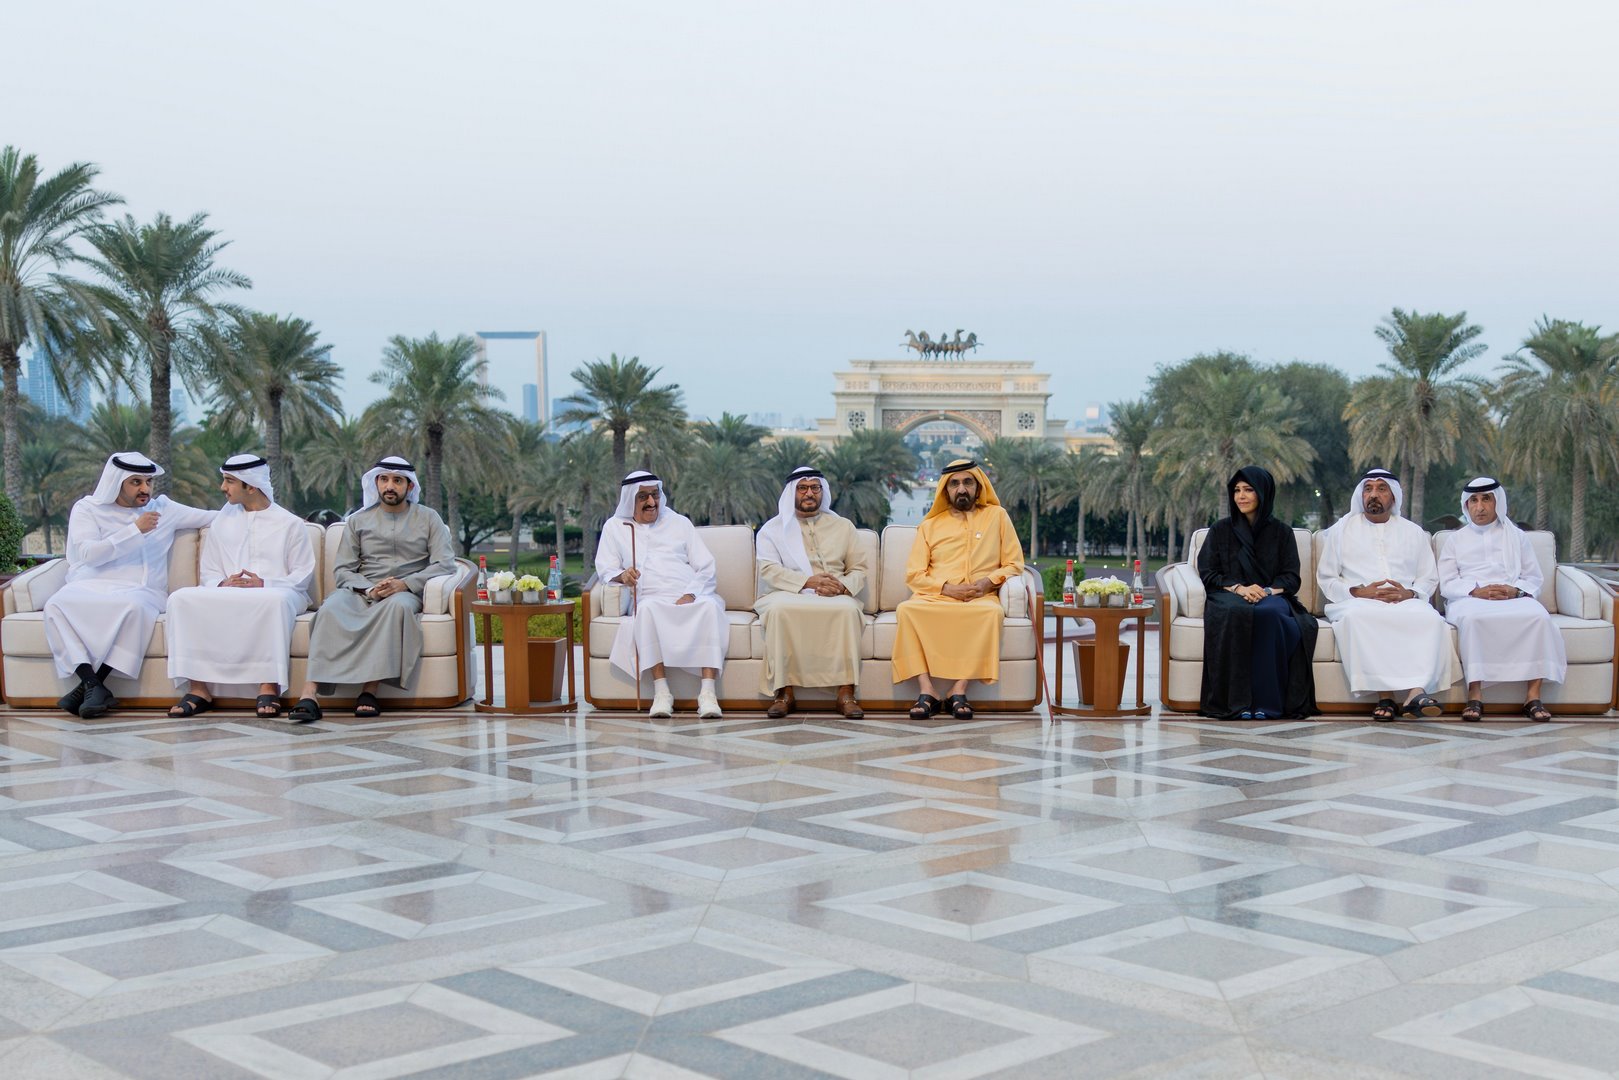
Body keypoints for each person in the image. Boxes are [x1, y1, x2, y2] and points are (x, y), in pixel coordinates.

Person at [43, 452, 217, 719]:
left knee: (135, 608)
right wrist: (135, 530)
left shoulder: (164, 510)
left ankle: (92, 685)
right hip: (90, 585)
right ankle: (92, 683)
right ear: (117, 482)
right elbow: (88, 554)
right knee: (56, 604)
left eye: (148, 482)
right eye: (136, 482)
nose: (145, 489)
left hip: (142, 591)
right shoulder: (88, 509)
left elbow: (215, 517)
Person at [288, 456, 456, 722]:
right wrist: (369, 590)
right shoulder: (358, 520)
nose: (390, 486)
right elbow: (343, 570)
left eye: (397, 481)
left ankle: (369, 691)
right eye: (384, 480)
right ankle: (309, 694)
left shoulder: (429, 518)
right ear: (376, 483)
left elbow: (444, 563)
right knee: (330, 609)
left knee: (397, 608)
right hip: (361, 591)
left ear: (410, 486)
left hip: (405, 592)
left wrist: (405, 584)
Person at [164, 455, 316, 719]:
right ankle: (198, 689)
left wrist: (264, 583)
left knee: (272, 601)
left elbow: (302, 575)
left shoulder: (290, 523)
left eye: (229, 481)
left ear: (251, 486)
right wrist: (223, 583)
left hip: (281, 592)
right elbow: (209, 570)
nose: (223, 487)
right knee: (180, 599)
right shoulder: (221, 522)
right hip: (229, 592)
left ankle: (268, 684)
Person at [1316, 468, 1460, 721]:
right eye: (1368, 489)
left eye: (1381, 489)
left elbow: (1428, 577)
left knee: (1430, 619)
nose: (1374, 494)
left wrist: (1409, 593)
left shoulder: (1413, 531)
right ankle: (1385, 696)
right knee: (1360, 618)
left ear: (1393, 496)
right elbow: (1327, 578)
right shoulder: (1341, 531)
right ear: (1361, 495)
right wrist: (1357, 592)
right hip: (1357, 602)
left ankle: (1416, 692)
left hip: (1404, 601)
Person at [892, 459, 1025, 720]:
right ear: (946, 490)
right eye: (954, 484)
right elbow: (914, 574)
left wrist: (988, 582)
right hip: (937, 596)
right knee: (907, 610)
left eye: (967, 482)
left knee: (991, 614)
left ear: (978, 486)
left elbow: (1014, 563)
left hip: (980, 597)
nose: (961, 489)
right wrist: (946, 589)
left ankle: (959, 689)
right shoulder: (930, 526)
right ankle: (927, 690)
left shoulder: (997, 516)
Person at [595, 470, 727, 719]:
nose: (651, 502)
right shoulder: (615, 527)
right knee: (645, 610)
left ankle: (708, 693)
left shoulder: (679, 523)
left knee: (710, 607)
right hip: (649, 596)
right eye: (643, 497)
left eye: (655, 495)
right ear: (630, 500)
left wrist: (690, 594)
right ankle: (662, 692)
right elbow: (605, 569)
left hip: (689, 593)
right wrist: (623, 575)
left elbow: (706, 566)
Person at [1438, 477, 1566, 722]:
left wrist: (1514, 590)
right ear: (1466, 505)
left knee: (1539, 617)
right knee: (1473, 620)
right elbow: (1447, 582)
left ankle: (1533, 697)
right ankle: (1475, 695)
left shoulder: (1517, 536)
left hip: (1513, 596)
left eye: (1486, 499)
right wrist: (1475, 590)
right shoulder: (1455, 539)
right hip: (1469, 598)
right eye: (1473, 501)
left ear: (1498, 502)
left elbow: (1533, 577)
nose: (1480, 507)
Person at [1197, 466, 1318, 719]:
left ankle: (1267, 704)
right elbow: (1208, 572)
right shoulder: (1220, 530)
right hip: (1228, 594)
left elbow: (1291, 577)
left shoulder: (1282, 532)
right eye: (1237, 490)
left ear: (1263, 493)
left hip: (1270, 596)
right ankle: (1237, 703)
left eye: (1248, 490)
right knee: (1236, 612)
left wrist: (1265, 591)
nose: (1241, 496)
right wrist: (1240, 588)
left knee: (1268, 614)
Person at [755, 466, 868, 718]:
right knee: (780, 611)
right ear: (791, 493)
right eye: (802, 488)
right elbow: (769, 570)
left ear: (822, 491)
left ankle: (846, 693)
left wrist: (842, 586)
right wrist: (808, 582)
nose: (809, 493)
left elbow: (859, 568)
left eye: (815, 488)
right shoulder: (772, 530)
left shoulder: (843, 526)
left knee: (847, 610)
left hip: (835, 593)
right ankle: (784, 693)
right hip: (788, 592)